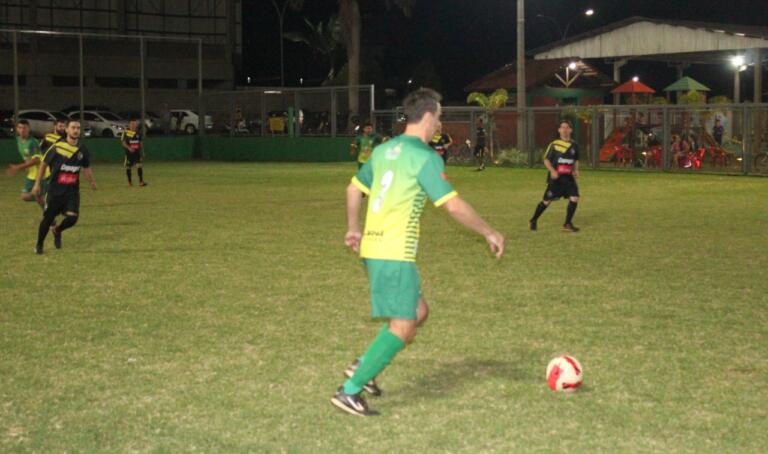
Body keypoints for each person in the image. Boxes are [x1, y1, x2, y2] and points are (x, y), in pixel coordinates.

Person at [332, 88, 505, 417]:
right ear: (428, 117)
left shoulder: (384, 150)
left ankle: (363, 367)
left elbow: (354, 188)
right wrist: (489, 232)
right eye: (439, 116)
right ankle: (349, 392)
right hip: (393, 251)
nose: (439, 122)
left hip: (376, 247)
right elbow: (453, 205)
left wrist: (354, 227)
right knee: (404, 325)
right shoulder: (426, 157)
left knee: (418, 311)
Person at [32, 119, 97, 254]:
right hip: (55, 191)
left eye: (78, 128)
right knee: (48, 219)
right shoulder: (57, 146)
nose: (76, 130)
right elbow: (43, 164)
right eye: (73, 127)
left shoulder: (82, 149)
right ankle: (39, 244)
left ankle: (57, 230)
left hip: (72, 191)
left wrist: (91, 181)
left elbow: (86, 167)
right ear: (66, 130)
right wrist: (37, 183)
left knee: (73, 218)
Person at [528, 120, 581, 232]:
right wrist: (552, 171)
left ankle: (567, 223)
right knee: (547, 201)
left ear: (571, 130)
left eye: (567, 127)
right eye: (562, 127)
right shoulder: (554, 144)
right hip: (556, 179)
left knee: (575, 198)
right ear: (559, 130)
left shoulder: (575, 145)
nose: (564, 129)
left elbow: (575, 160)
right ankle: (533, 220)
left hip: (568, 178)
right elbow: (546, 160)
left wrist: (576, 170)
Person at [5, 119, 50, 209]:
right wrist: (26, 165)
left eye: (24, 128)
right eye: (20, 128)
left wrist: (18, 167)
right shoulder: (18, 140)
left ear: (28, 129)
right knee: (25, 196)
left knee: (36, 196)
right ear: (17, 129)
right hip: (32, 173)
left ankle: (50, 216)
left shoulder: (32, 142)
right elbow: (27, 156)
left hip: (40, 172)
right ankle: (49, 202)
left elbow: (36, 160)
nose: (22, 130)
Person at [121, 118, 147, 186]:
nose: (133, 125)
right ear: (129, 124)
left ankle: (141, 182)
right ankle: (130, 182)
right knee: (128, 167)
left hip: (137, 153)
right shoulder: (126, 132)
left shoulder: (138, 132)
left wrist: (142, 152)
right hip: (129, 153)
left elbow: (140, 143)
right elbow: (123, 143)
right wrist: (129, 148)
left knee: (139, 166)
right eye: (132, 124)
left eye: (135, 124)